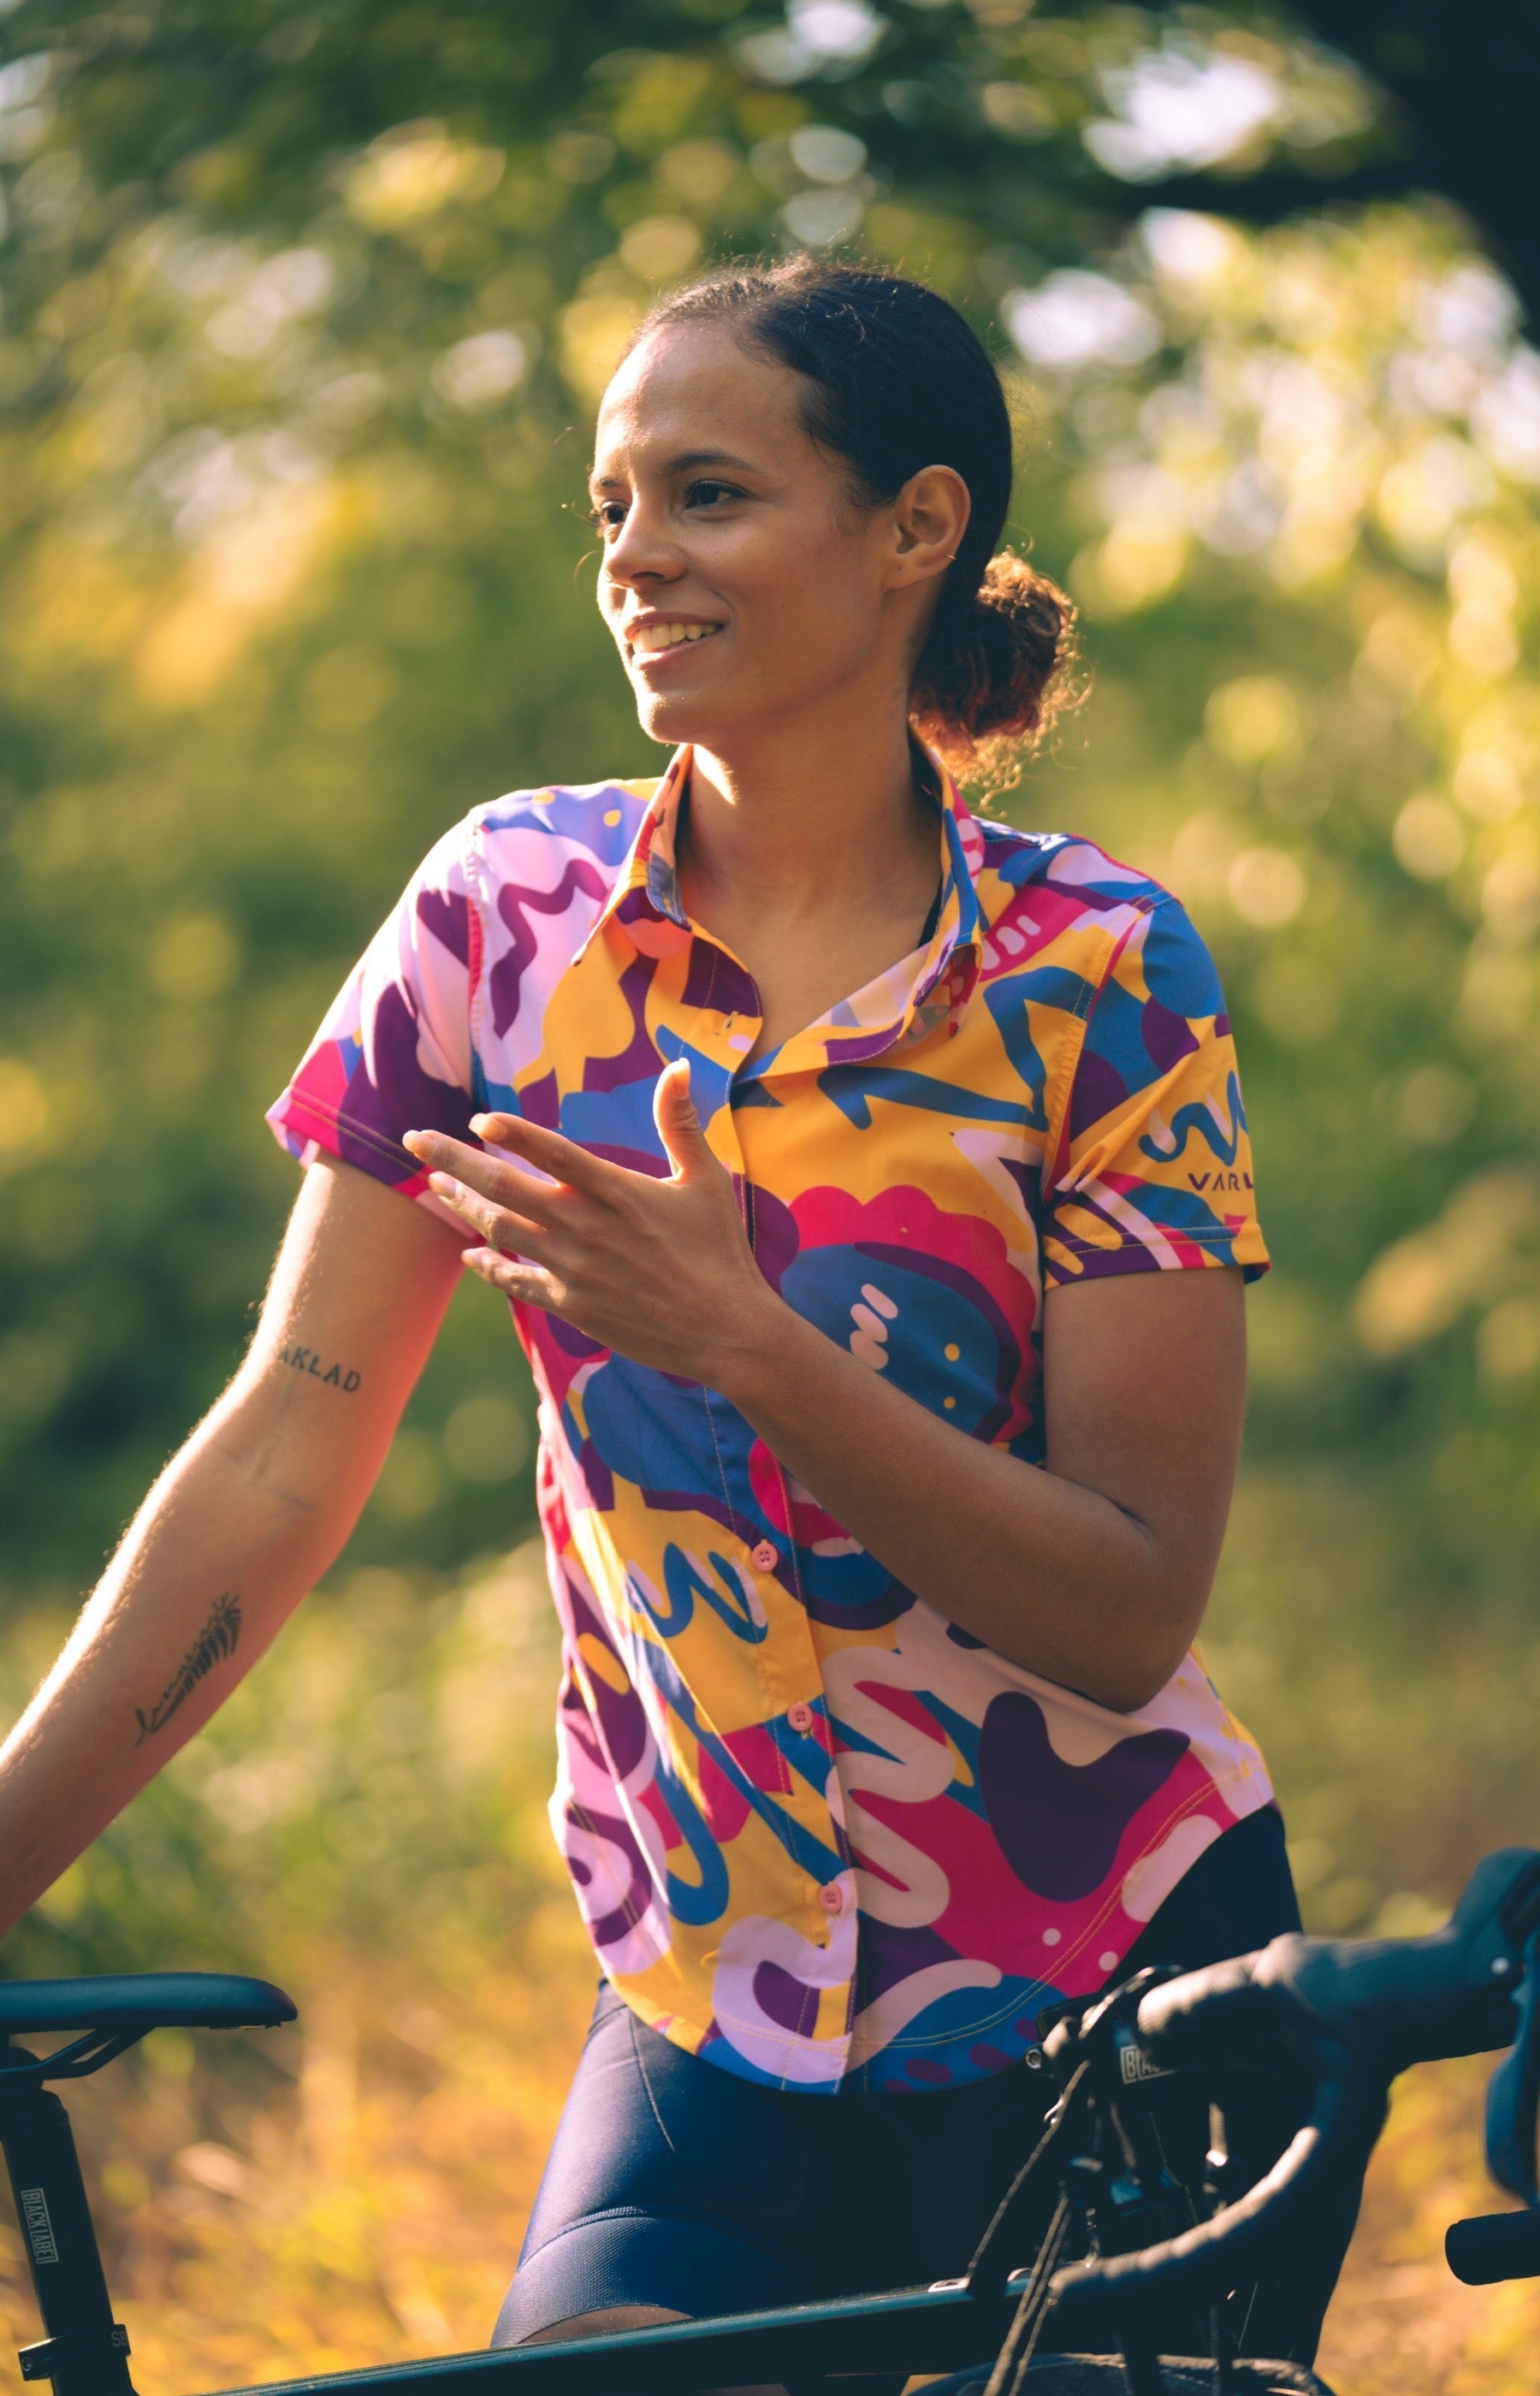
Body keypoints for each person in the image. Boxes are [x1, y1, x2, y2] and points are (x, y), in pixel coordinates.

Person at [0, 259, 1347, 2376]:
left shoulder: (1102, 966)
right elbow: (281, 1447)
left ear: (914, 528)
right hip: (713, 1999)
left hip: (1122, 1989)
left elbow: (1127, 1605)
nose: (635, 555)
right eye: (614, 503)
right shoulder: (499, 924)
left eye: (709, 493)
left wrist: (752, 1350)